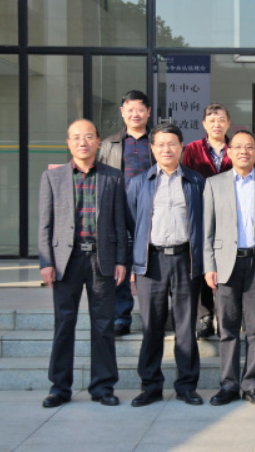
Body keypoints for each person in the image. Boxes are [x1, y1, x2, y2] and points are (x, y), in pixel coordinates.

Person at [38, 119, 127, 408]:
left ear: (98, 142)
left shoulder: (113, 177)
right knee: (64, 323)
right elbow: (45, 225)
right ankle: (59, 387)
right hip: (66, 261)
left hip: (102, 259)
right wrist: (46, 262)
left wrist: (121, 260)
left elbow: (120, 222)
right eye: (76, 137)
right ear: (68, 143)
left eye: (89, 136)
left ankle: (103, 387)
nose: (82, 142)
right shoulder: (53, 178)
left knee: (103, 324)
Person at [126, 123, 206, 407]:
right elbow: (132, 224)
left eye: (172, 143)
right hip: (152, 263)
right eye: (160, 144)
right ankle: (150, 386)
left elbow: (204, 222)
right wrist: (134, 265)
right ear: (152, 148)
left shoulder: (196, 182)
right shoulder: (139, 183)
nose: (166, 149)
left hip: (186, 260)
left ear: (181, 146)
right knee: (152, 326)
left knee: (185, 327)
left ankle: (187, 385)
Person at [203, 130, 255, 407]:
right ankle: (228, 384)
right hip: (226, 263)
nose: (243, 152)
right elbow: (207, 230)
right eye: (238, 147)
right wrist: (209, 265)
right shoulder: (214, 184)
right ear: (229, 151)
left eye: (249, 147)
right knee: (228, 327)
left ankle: (252, 385)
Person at [97, 90, 153, 337]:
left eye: (140, 109)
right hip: (119, 211)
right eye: (130, 110)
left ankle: (155, 316)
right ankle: (121, 316)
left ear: (148, 112)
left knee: (152, 266)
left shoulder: (157, 140)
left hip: (151, 212)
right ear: (122, 112)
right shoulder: (109, 144)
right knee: (121, 263)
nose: (135, 114)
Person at [182, 103, 234, 340]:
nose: (217, 124)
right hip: (202, 213)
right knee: (204, 261)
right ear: (204, 124)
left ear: (228, 123)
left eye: (221, 120)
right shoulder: (192, 149)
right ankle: (205, 315)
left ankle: (226, 315)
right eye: (212, 120)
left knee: (227, 263)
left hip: (231, 215)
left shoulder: (236, 147)